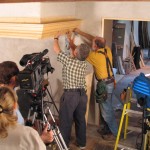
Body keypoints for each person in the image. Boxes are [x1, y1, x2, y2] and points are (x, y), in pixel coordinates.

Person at [74, 28, 118, 141]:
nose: (91, 43)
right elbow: (93, 38)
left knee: (106, 111)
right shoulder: (107, 50)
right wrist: (79, 31)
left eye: (93, 43)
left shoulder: (94, 56)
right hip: (111, 82)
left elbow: (77, 52)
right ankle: (107, 129)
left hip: (105, 85)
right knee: (107, 108)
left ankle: (114, 133)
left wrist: (70, 40)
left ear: (96, 46)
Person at [0, 61, 54, 144]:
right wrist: (41, 140)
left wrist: (25, 123)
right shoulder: (5, 100)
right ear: (12, 79)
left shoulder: (9, 88)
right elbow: (14, 142)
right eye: (17, 76)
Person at [53, 33, 90, 149]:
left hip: (70, 96)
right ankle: (82, 144)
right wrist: (70, 39)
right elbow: (77, 51)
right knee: (80, 120)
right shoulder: (84, 62)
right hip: (82, 95)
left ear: (75, 53)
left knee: (66, 121)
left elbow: (57, 49)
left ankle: (64, 146)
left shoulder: (69, 61)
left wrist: (55, 38)